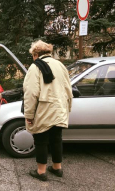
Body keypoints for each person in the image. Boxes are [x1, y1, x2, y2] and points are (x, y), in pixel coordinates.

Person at [23, 40, 73, 181]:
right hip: (60, 107)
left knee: (41, 139)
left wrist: (29, 114)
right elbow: (68, 88)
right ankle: (57, 168)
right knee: (57, 139)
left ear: (36, 54)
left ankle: (41, 171)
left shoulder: (35, 67)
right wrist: (68, 107)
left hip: (44, 108)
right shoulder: (60, 65)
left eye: (33, 55)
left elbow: (31, 92)